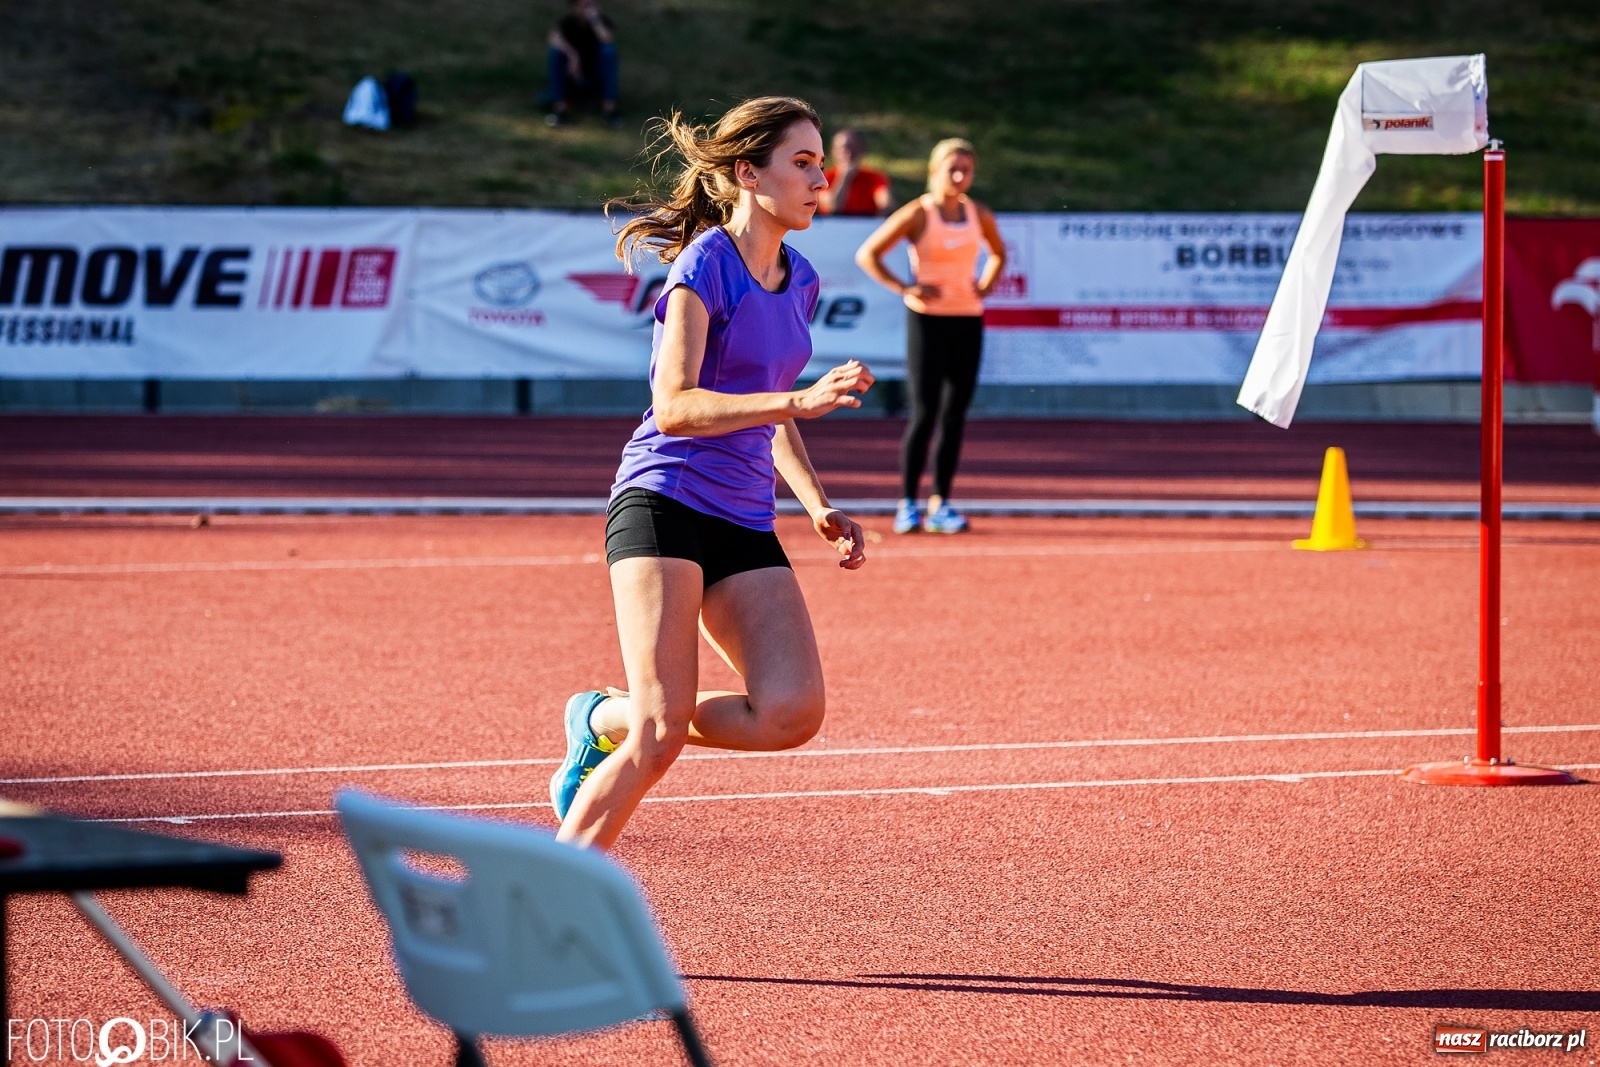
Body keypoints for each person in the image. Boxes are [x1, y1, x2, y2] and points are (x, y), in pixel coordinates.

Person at [550, 96, 875, 850]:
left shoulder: (801, 279)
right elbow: (676, 405)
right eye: (801, 162)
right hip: (663, 500)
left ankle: (600, 714)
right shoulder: (705, 265)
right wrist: (798, 395)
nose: (820, 177)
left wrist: (817, 504)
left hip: (742, 516)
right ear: (747, 173)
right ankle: (542, 901)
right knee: (661, 733)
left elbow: (770, 408)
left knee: (792, 711)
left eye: (820, 161)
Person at [855, 139, 1005, 534]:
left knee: (955, 415)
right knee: (924, 413)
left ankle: (941, 502)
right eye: (951, 169)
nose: (959, 177)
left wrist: (986, 284)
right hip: (927, 321)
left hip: (968, 320)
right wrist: (906, 288)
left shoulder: (978, 213)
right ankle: (907, 503)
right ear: (934, 171)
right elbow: (869, 253)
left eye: (966, 170)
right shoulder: (919, 214)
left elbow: (999, 254)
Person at [546, 0, 619, 126]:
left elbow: (606, 39)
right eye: (584, 5)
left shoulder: (601, 22)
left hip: (595, 75)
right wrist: (573, 55)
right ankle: (560, 110)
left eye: (591, 5)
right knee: (555, 54)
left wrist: (595, 20)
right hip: (573, 75)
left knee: (608, 52)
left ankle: (610, 110)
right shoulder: (568, 23)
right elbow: (554, 39)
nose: (588, 9)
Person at [819, 129, 893, 216]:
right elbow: (832, 207)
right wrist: (844, 178)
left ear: (860, 151)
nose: (849, 153)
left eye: (852, 148)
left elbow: (887, 206)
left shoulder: (874, 177)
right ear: (833, 152)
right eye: (843, 148)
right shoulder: (824, 178)